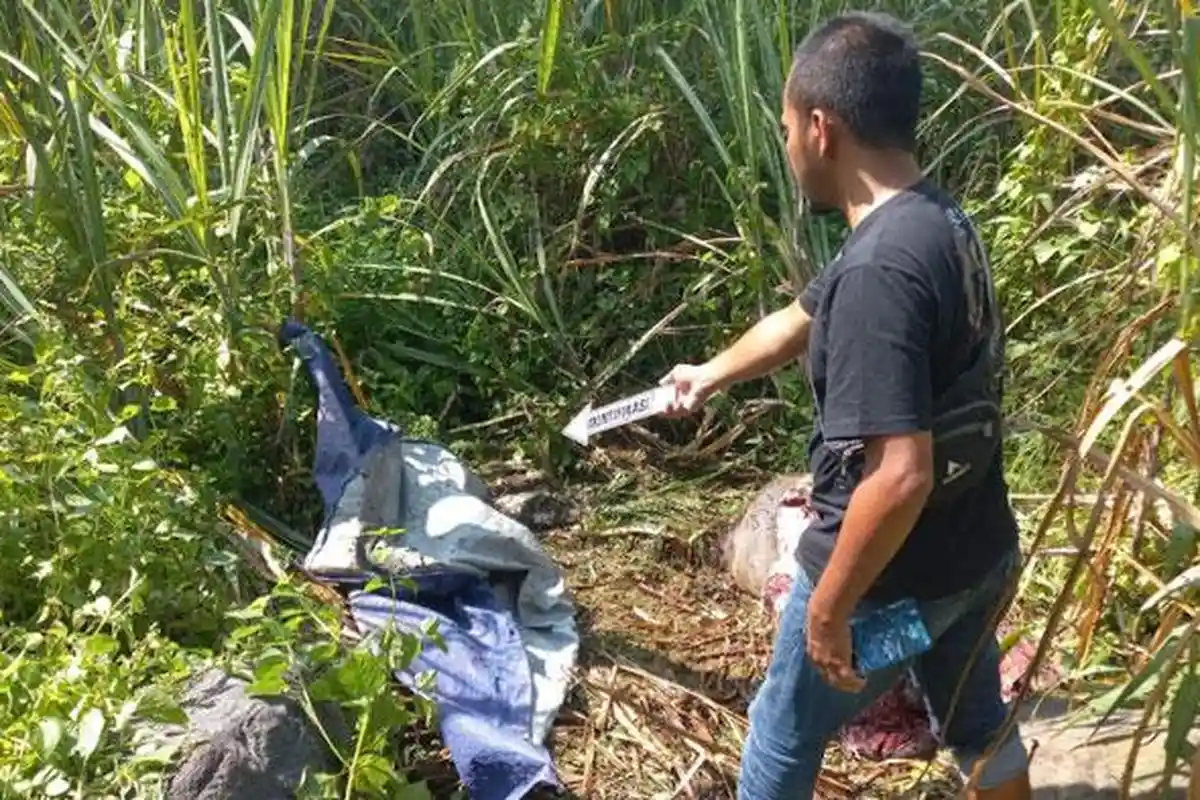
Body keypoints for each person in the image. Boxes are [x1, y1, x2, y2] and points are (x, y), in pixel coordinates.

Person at [659, 12, 1033, 800]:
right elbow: (799, 319)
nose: (789, 145)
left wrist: (827, 612)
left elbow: (900, 476)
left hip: (890, 587)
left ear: (822, 128)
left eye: (789, 127)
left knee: (781, 736)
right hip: (976, 558)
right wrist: (707, 373)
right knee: (974, 721)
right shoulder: (934, 222)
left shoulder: (879, 275)